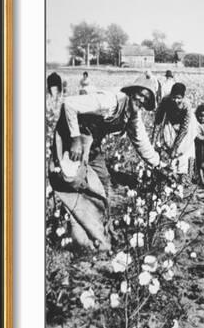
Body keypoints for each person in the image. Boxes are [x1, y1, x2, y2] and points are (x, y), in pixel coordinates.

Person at [49, 75, 160, 252]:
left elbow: (142, 143)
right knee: (74, 182)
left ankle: (101, 231)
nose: (142, 100)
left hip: (92, 144)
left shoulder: (132, 116)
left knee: (104, 182)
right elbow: (69, 104)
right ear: (132, 92)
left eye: (146, 99)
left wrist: (158, 164)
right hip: (71, 135)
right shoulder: (110, 101)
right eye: (140, 95)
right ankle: (71, 233)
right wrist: (76, 139)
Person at [153, 82, 198, 176]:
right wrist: (153, 139)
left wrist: (175, 147)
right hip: (170, 121)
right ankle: (166, 169)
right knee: (165, 144)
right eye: (174, 97)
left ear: (183, 97)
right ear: (170, 95)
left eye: (179, 98)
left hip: (186, 126)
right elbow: (158, 119)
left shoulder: (186, 105)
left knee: (184, 148)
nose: (176, 100)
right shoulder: (165, 100)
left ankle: (183, 173)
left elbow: (184, 128)